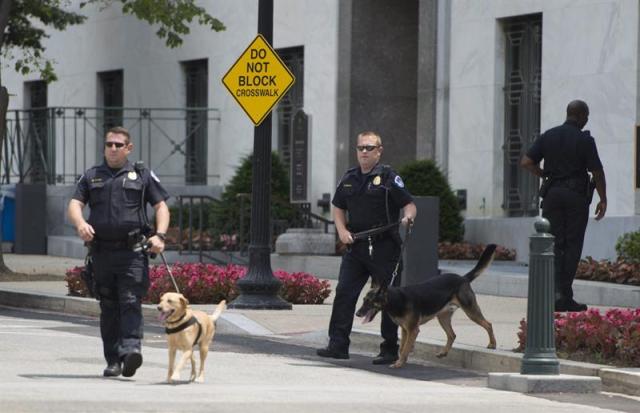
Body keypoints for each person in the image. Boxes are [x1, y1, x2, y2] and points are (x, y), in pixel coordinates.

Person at [68, 126, 170, 377]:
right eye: (109, 144)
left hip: (132, 251)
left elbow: (161, 207)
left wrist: (160, 235)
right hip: (101, 252)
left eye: (118, 145)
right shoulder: (91, 175)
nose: (112, 149)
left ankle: (131, 351)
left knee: (130, 301)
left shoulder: (142, 175)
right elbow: (75, 204)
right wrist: (80, 224)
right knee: (109, 306)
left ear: (128, 148)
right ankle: (113, 360)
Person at [317, 131, 417, 364]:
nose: (364, 152)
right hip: (357, 246)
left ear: (379, 151)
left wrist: (408, 218)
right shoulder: (350, 177)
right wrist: (341, 231)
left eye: (369, 148)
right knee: (344, 293)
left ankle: (389, 349)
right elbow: (338, 207)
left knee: (388, 298)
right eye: (360, 148)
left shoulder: (389, 177)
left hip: (385, 246)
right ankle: (338, 345)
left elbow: (409, 204)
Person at [521, 100, 607, 312]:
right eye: (586, 117)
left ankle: (552, 294)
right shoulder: (585, 140)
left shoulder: (548, 135)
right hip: (575, 197)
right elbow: (597, 172)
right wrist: (602, 199)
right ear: (580, 115)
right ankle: (564, 296)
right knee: (571, 246)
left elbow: (526, 162)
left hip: (552, 196)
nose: (586, 120)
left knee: (552, 244)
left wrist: (545, 175)